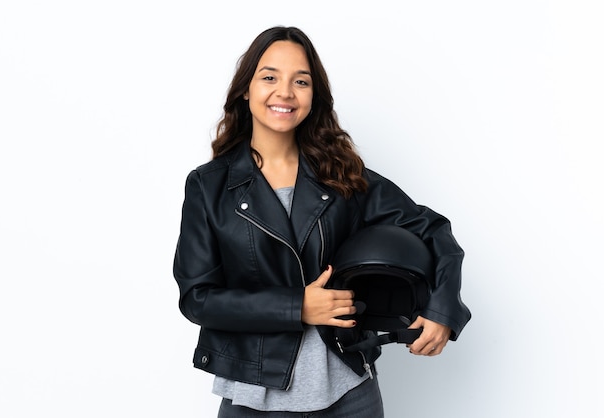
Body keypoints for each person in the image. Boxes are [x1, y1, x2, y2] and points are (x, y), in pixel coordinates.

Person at [173, 26, 471, 417]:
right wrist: (297, 306)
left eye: (301, 81)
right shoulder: (209, 186)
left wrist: (442, 309)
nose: (285, 92)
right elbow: (198, 299)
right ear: (246, 89)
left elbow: (431, 230)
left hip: (350, 395)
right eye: (269, 77)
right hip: (255, 397)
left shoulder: (341, 175)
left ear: (313, 96)